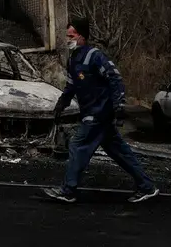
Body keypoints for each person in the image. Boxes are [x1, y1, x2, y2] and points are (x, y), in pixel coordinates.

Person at [42, 17, 159, 203]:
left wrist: (118, 105)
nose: (68, 40)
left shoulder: (95, 56)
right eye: (67, 36)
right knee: (120, 152)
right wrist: (61, 104)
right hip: (94, 114)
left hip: (98, 113)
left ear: (82, 36)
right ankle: (147, 187)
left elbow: (115, 78)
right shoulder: (73, 60)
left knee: (77, 145)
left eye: (72, 36)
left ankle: (68, 191)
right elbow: (71, 85)